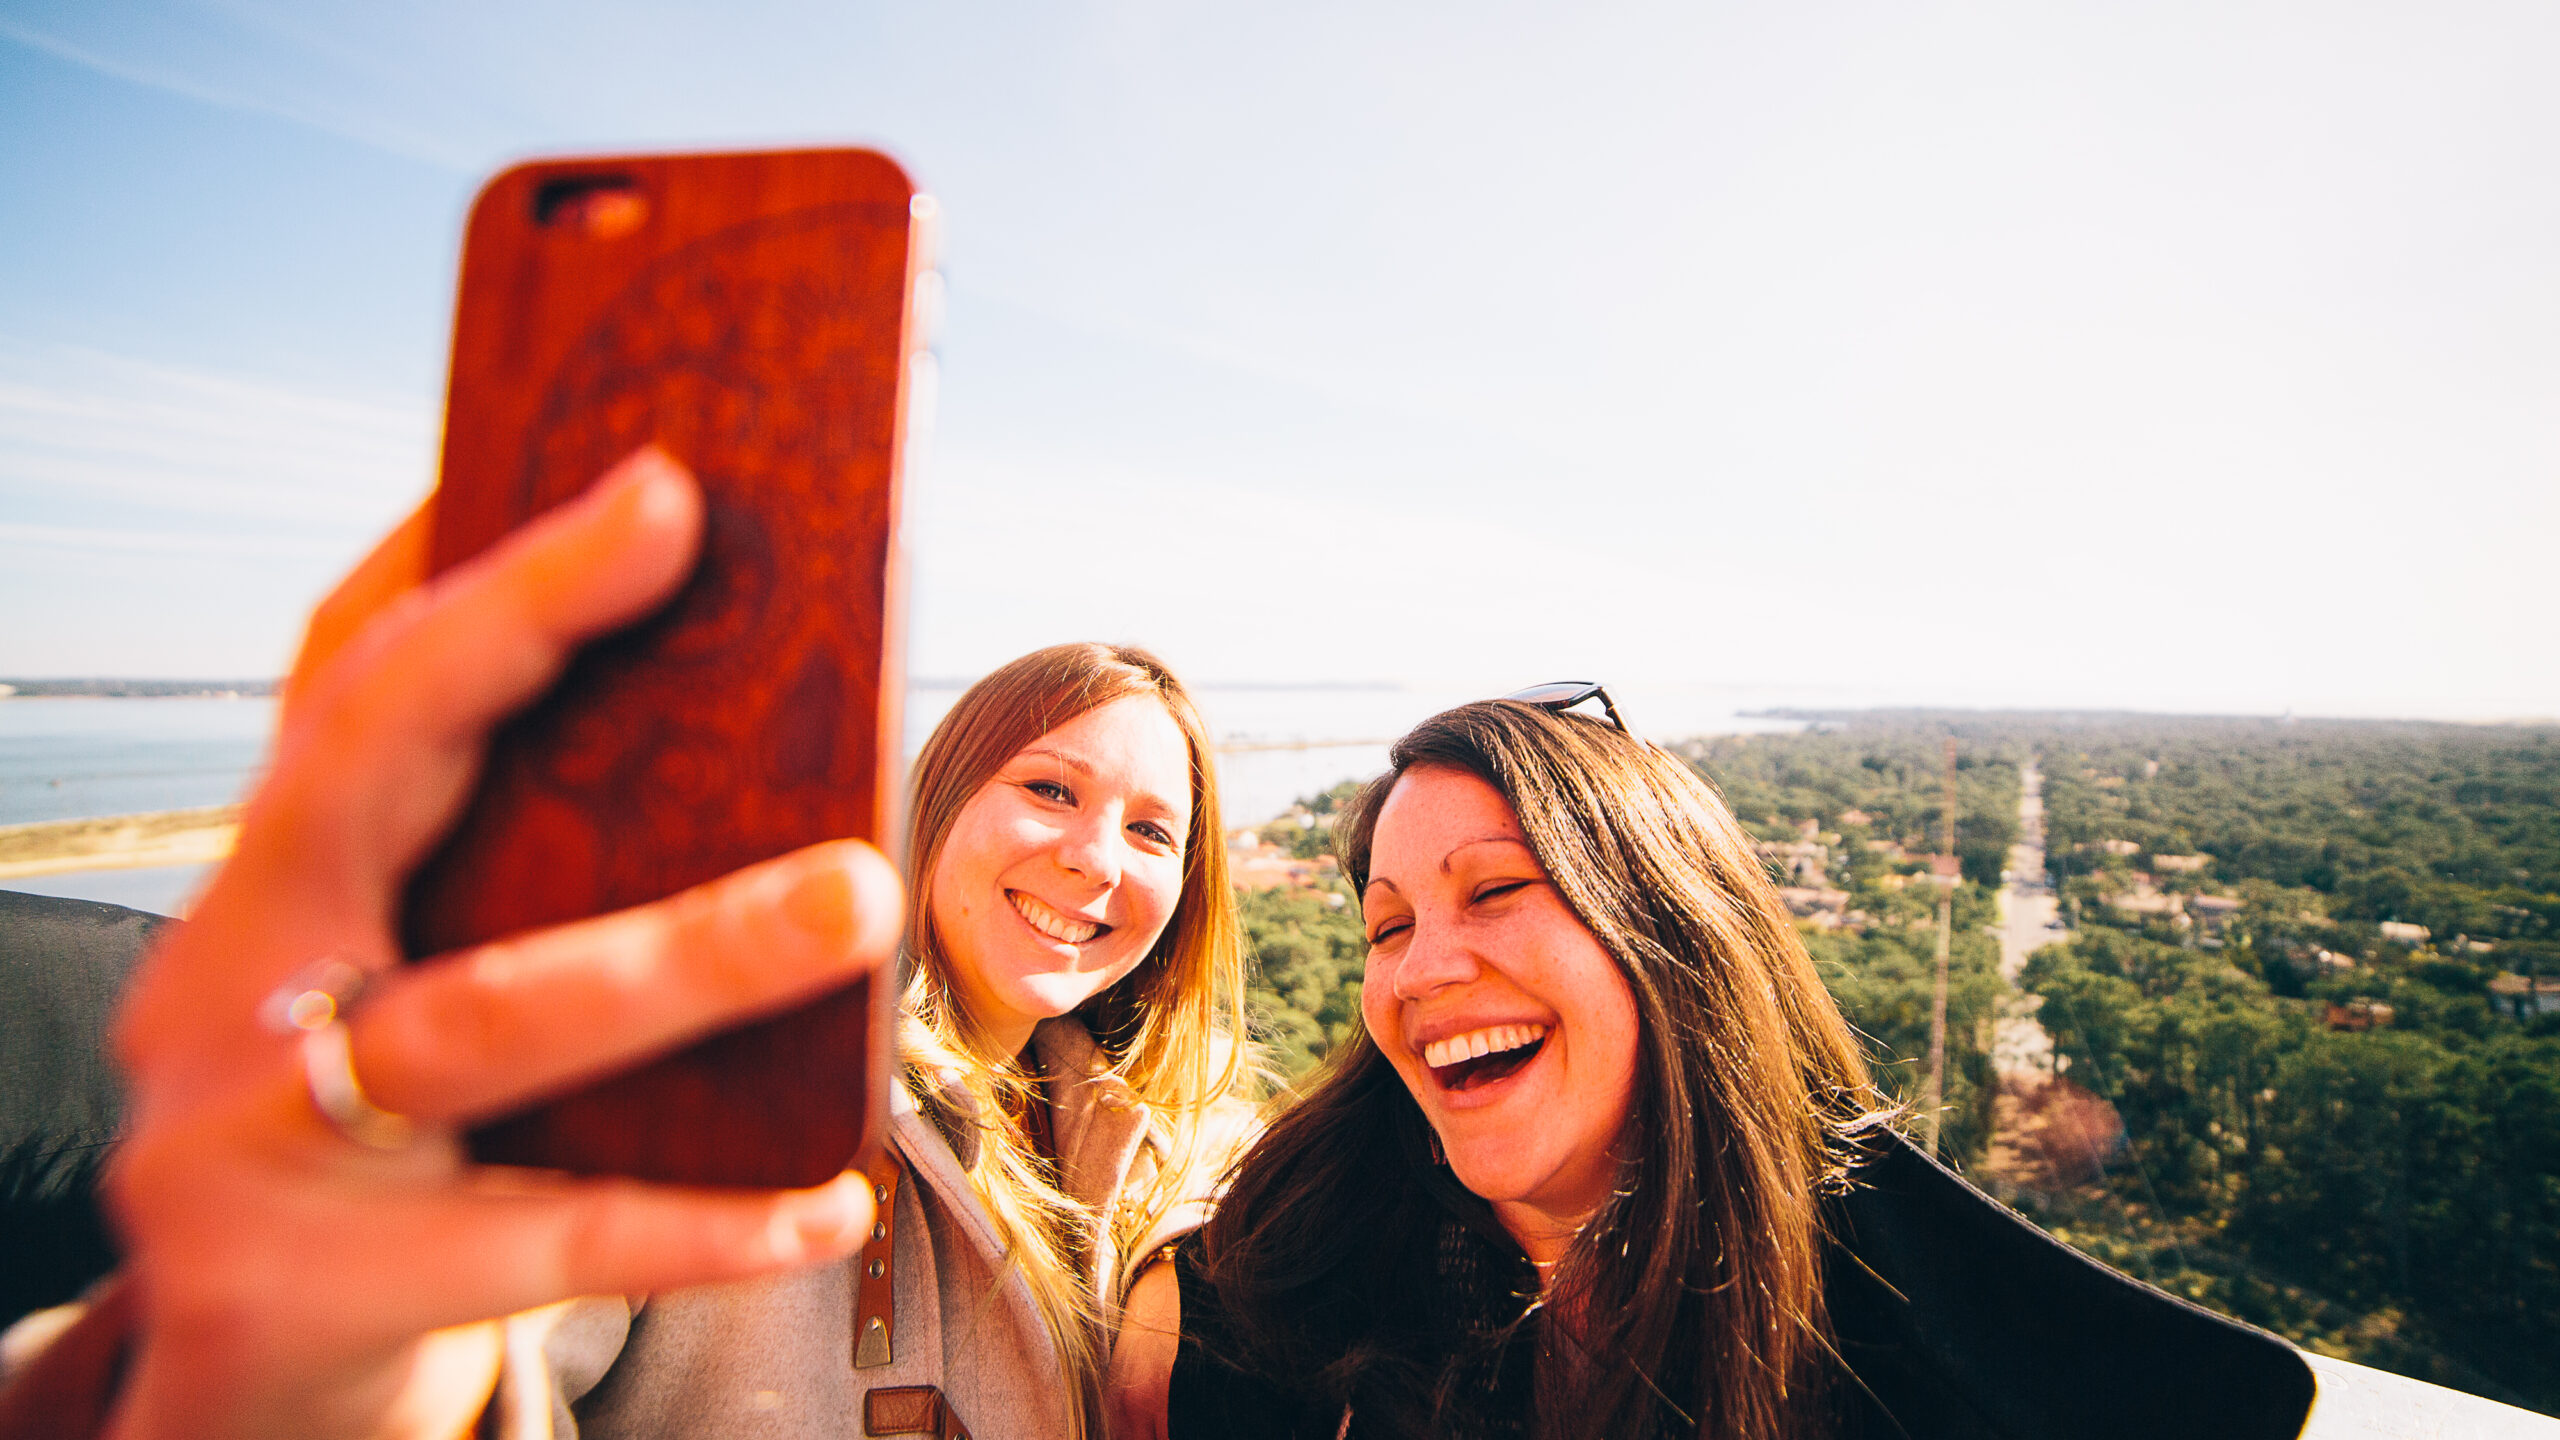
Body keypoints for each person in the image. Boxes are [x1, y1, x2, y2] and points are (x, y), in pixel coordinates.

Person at [0, 448, 1257, 1440]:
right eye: (1048, 790)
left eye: (1154, 830)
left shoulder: (1163, 1147)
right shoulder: (734, 1089)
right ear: (936, 804)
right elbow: (496, 1355)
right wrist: (337, 1372)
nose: (1098, 856)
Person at [1114, 695, 2317, 1440]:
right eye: (1385, 927)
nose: (1420, 971)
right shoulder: (1233, 1327)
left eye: (1496, 890)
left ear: (1674, 936)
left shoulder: (1908, 1356)